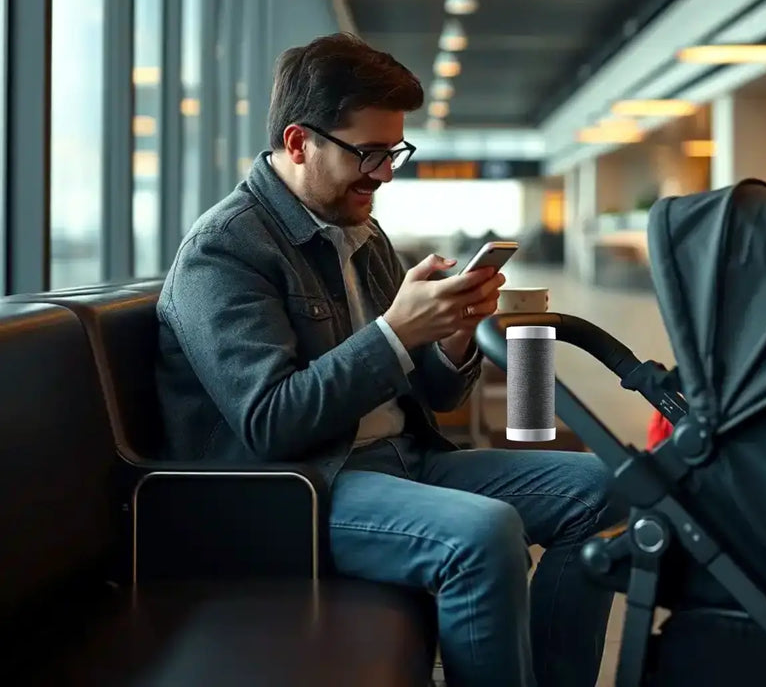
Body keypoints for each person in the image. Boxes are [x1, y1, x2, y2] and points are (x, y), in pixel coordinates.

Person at [155, 34, 621, 687]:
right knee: (484, 534)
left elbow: (435, 399)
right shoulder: (224, 252)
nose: (385, 174)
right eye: (369, 154)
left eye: (394, 151)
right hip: (298, 489)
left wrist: (453, 335)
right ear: (298, 143)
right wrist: (396, 334)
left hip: (402, 462)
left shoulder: (362, 232)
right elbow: (270, 424)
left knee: (601, 488)